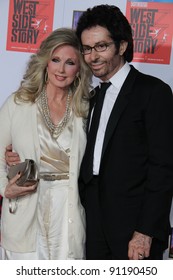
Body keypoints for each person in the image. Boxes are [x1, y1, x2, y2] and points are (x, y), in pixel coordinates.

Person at [75, 4, 173, 260]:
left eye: (101, 46)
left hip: (135, 231)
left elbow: (163, 168)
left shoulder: (153, 92)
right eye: (86, 48)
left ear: (121, 46)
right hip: (93, 225)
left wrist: (145, 231)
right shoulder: (92, 96)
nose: (92, 57)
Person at [0, 27, 92, 260]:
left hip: (68, 211)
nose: (61, 69)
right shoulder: (19, 102)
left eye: (70, 62)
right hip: (27, 208)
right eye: (55, 60)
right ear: (45, 62)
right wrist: (4, 188)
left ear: (79, 68)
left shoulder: (85, 108)